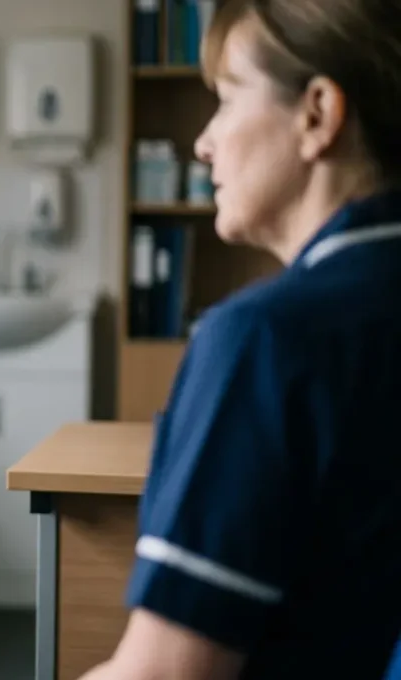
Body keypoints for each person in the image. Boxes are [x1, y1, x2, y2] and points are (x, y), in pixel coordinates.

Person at [81, 0, 401, 678]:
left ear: (317, 114)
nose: (203, 142)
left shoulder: (268, 340)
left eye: (226, 101)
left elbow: (165, 675)